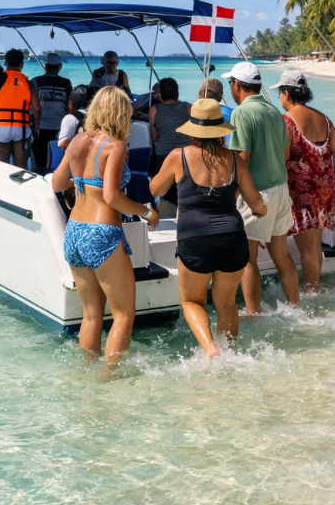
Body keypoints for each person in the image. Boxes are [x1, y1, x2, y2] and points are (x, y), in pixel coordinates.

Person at [150, 99, 267, 357]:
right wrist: (260, 211)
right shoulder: (235, 160)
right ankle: (230, 353)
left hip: (195, 239)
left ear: (193, 129)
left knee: (192, 301)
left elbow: (155, 189)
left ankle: (211, 350)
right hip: (232, 237)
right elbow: (255, 200)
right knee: (226, 303)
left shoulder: (178, 156)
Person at [51, 86, 157, 370]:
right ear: (120, 113)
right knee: (123, 315)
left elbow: (57, 184)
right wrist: (146, 211)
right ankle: (110, 382)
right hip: (101, 234)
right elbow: (112, 197)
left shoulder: (76, 141)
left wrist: (81, 183)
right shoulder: (115, 146)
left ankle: (87, 375)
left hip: (74, 231)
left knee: (91, 315)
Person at [222, 61, 299, 313]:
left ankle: (254, 314)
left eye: (230, 84)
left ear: (238, 85)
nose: (230, 89)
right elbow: (285, 149)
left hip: (257, 192)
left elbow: (242, 158)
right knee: (282, 255)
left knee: (248, 259)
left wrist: (230, 195)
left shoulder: (241, 113)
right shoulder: (274, 111)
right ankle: (295, 308)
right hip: (280, 188)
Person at [273, 70, 335, 293]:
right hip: (323, 190)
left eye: (280, 93)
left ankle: (311, 290)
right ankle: (314, 287)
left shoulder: (286, 121)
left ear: (287, 94)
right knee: (314, 246)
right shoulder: (323, 118)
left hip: (299, 191)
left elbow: (282, 160)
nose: (279, 98)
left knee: (306, 247)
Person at [0, 48, 41, 167]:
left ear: (5, 63)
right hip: (22, 128)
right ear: (21, 64)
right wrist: (36, 128)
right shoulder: (28, 83)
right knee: (21, 168)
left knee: (3, 167)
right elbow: (37, 109)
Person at [147, 77, 192, 208]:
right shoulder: (189, 108)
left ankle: (163, 205)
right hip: (185, 157)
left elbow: (154, 138)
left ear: (160, 94)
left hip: (163, 158)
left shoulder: (154, 110)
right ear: (177, 94)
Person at [30, 54, 73, 173]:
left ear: (45, 66)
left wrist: (34, 127)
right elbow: (70, 106)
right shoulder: (66, 83)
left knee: (40, 159)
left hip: (40, 127)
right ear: (60, 66)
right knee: (57, 159)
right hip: (60, 127)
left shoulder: (36, 81)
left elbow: (32, 106)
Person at [58, 85, 91, 149]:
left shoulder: (70, 118)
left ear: (71, 102)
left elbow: (62, 143)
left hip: (77, 156)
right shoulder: (98, 116)